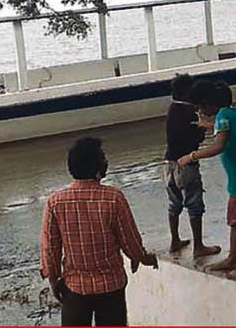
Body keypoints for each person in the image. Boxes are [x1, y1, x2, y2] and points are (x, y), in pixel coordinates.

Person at [40, 137, 158, 327]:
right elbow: (130, 240)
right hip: (111, 287)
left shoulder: (55, 202)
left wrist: (53, 279)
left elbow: (50, 249)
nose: (106, 162)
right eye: (103, 159)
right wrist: (142, 257)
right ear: (97, 168)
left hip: (75, 289)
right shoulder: (114, 198)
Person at [178, 80, 236, 280]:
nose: (198, 109)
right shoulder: (232, 112)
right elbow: (226, 131)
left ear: (210, 104)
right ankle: (232, 258)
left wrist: (191, 156)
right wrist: (208, 125)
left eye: (200, 105)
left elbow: (219, 146)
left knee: (235, 221)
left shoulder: (222, 118)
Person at [163, 74, 221, 257]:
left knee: (174, 204)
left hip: (168, 164)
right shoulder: (190, 112)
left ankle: (174, 241)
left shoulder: (172, 109)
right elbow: (198, 136)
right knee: (195, 205)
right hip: (187, 164)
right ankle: (199, 246)